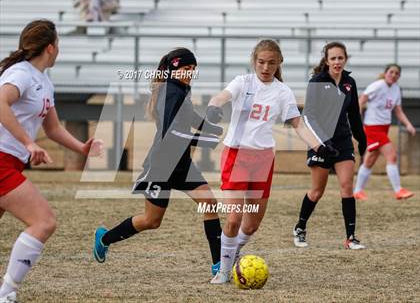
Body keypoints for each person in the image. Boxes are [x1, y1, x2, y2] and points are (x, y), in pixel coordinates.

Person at [207, 39, 334, 284]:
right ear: (254, 61)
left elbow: (297, 123)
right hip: (237, 155)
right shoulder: (242, 82)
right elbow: (221, 96)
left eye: (271, 63)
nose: (265, 67)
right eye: (261, 62)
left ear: (279, 64)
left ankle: (233, 254)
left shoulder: (282, 91)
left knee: (251, 225)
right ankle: (222, 271)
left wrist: (319, 146)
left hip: (264, 159)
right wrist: (214, 107)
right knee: (234, 219)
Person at [93, 48, 224, 277]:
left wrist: (209, 127)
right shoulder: (170, 92)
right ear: (174, 68)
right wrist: (205, 141)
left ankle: (218, 265)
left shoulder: (181, 89)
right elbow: (170, 134)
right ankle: (104, 237)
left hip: (181, 164)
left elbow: (189, 116)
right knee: (151, 221)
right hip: (161, 167)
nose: (190, 73)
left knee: (210, 204)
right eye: (186, 68)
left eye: (193, 69)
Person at [0, 20, 103, 303]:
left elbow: (53, 129)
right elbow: (0, 103)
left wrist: (82, 147)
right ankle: (6, 293)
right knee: (44, 221)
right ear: (50, 47)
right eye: (58, 45)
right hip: (1, 161)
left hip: (10, 162)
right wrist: (28, 142)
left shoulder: (44, 80)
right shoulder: (21, 74)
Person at [292, 42, 367, 250]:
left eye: (340, 58)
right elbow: (310, 117)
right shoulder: (317, 81)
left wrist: (362, 140)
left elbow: (354, 115)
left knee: (347, 187)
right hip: (320, 143)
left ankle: (351, 237)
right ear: (326, 61)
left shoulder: (349, 82)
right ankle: (300, 228)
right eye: (333, 58)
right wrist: (322, 144)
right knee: (317, 191)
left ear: (345, 59)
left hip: (343, 142)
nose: (337, 62)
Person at [354, 64, 416, 201]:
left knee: (369, 160)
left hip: (384, 128)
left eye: (396, 73)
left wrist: (408, 124)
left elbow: (398, 110)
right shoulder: (377, 85)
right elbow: (360, 101)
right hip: (373, 127)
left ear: (399, 76)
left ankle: (357, 191)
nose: (393, 75)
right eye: (391, 72)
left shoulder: (396, 89)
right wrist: (357, 121)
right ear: (385, 73)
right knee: (392, 156)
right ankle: (399, 190)